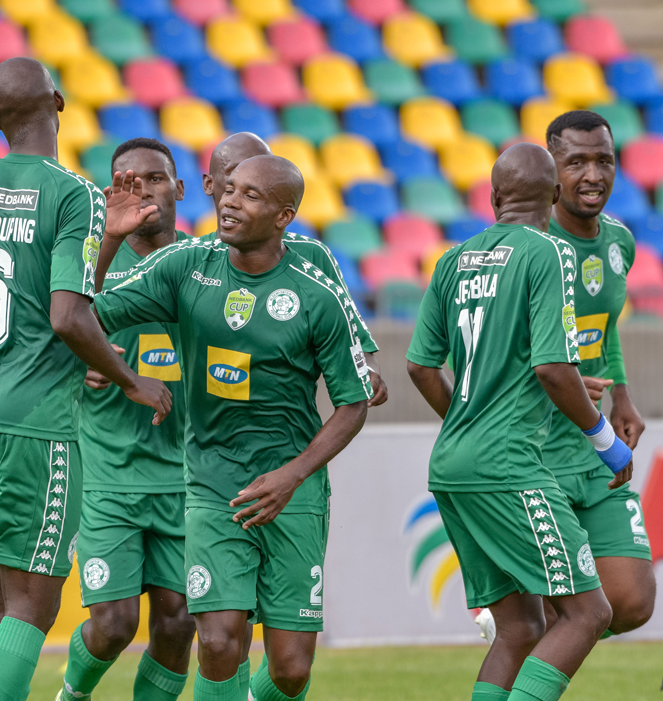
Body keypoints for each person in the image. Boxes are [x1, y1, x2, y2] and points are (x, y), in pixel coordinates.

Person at [0, 58, 171, 701]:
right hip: (34, 422)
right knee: (34, 608)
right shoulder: (70, 192)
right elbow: (67, 316)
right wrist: (130, 378)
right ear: (58, 101)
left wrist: (24, 303)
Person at [94, 155, 373, 701]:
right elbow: (89, 310)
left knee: (291, 671)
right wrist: (108, 239)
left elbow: (353, 404)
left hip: (293, 491)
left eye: (250, 195)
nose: (229, 202)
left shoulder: (317, 293)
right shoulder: (187, 266)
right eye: (229, 191)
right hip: (212, 484)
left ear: (283, 215)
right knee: (220, 643)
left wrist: (292, 475)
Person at [406, 143, 633, 701]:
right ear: (555, 196)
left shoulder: (453, 259)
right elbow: (555, 368)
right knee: (587, 613)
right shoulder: (549, 253)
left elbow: (418, 364)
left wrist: (467, 419)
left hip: (452, 465)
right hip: (509, 464)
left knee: (519, 627)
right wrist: (606, 442)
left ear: (493, 197)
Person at [474, 111, 654, 645]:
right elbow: (488, 353)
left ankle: (525, 625)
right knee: (568, 615)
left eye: (604, 160)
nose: (592, 175)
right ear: (550, 173)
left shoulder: (619, 242)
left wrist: (620, 393)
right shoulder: (529, 251)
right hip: (533, 448)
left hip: (591, 445)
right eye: (575, 162)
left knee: (632, 601)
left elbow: (603, 327)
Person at [57, 138, 196, 701]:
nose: (143, 191)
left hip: (186, 476)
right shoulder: (93, 264)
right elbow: (60, 330)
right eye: (127, 181)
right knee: (114, 626)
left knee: (178, 625)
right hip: (108, 473)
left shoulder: (205, 265)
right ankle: (72, 694)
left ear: (181, 189)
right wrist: (93, 363)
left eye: (156, 179)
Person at [200, 132, 387, 407]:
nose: (249, 178)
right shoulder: (189, 259)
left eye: (259, 170)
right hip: (202, 438)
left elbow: (354, 341)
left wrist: (368, 371)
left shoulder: (313, 256)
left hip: (289, 435)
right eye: (233, 178)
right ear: (209, 184)